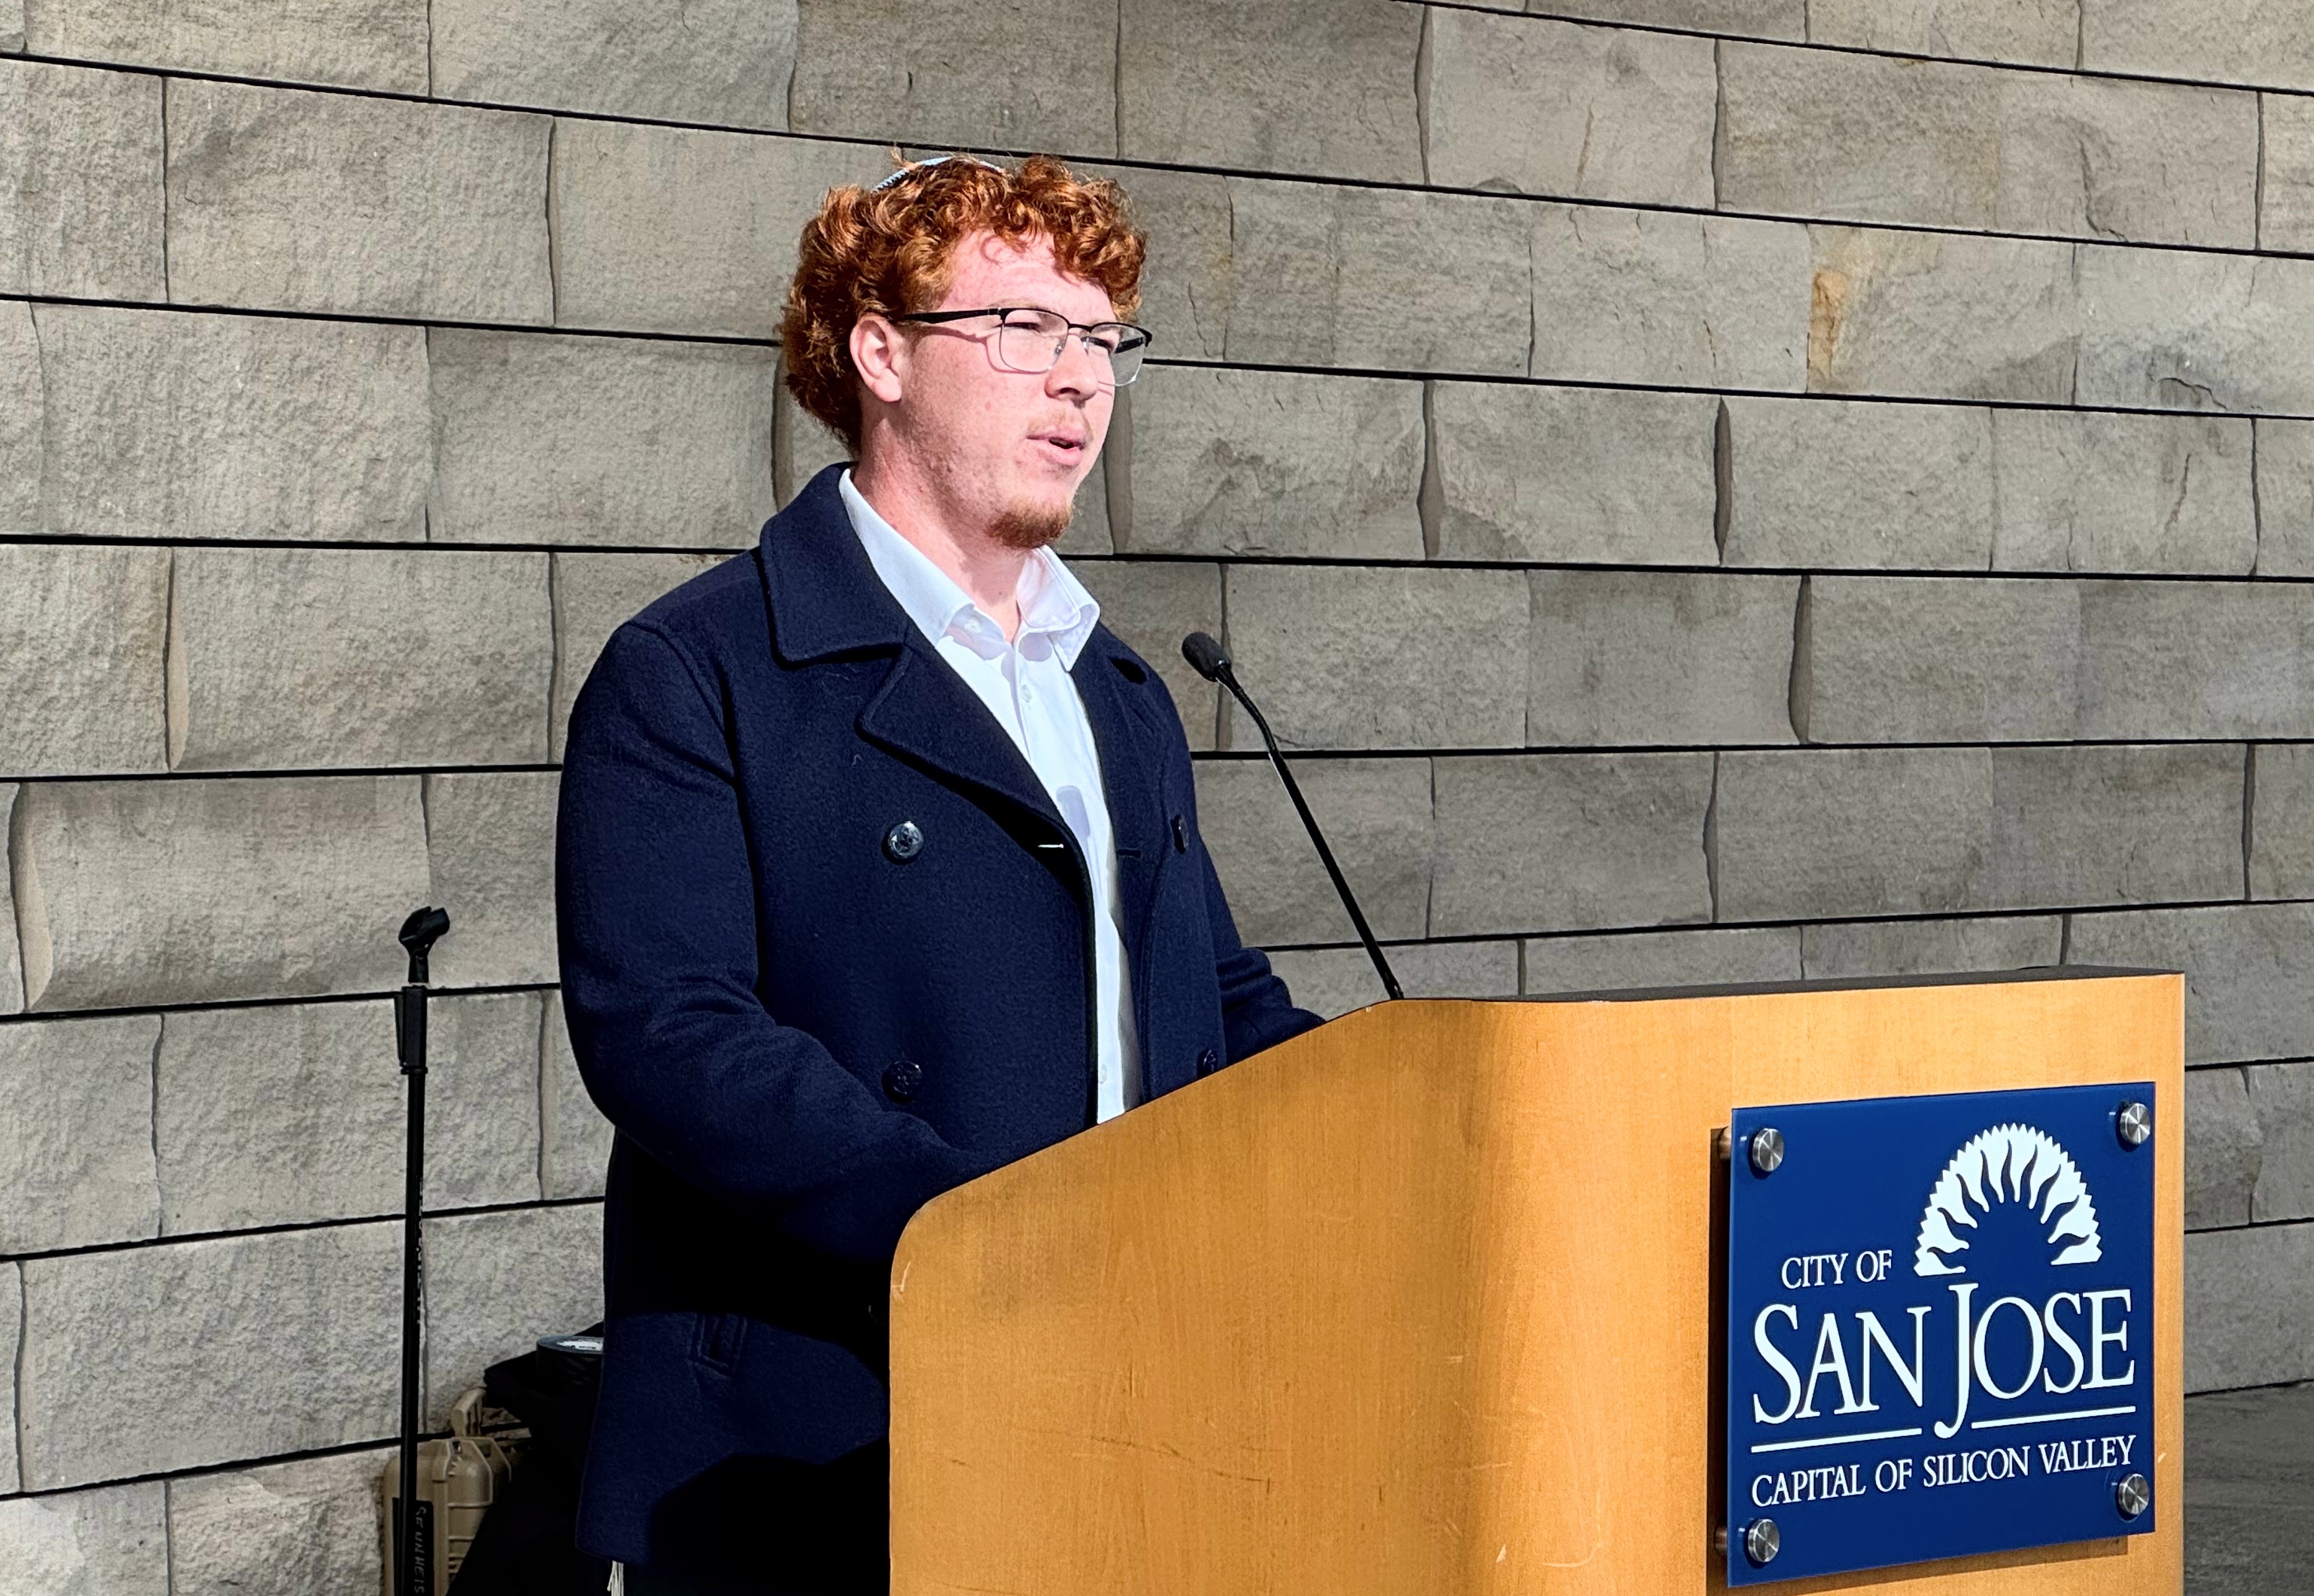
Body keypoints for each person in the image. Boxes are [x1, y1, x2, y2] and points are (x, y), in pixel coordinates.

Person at [555, 152, 1321, 1596]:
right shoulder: (699, 669)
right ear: (881, 351)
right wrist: (974, 1239)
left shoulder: (1119, 688)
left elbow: (1211, 998)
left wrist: (1427, 1109)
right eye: (1023, 329)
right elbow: (670, 1035)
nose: (1079, 381)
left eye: (1102, 340)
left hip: (1127, 1413)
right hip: (826, 1443)